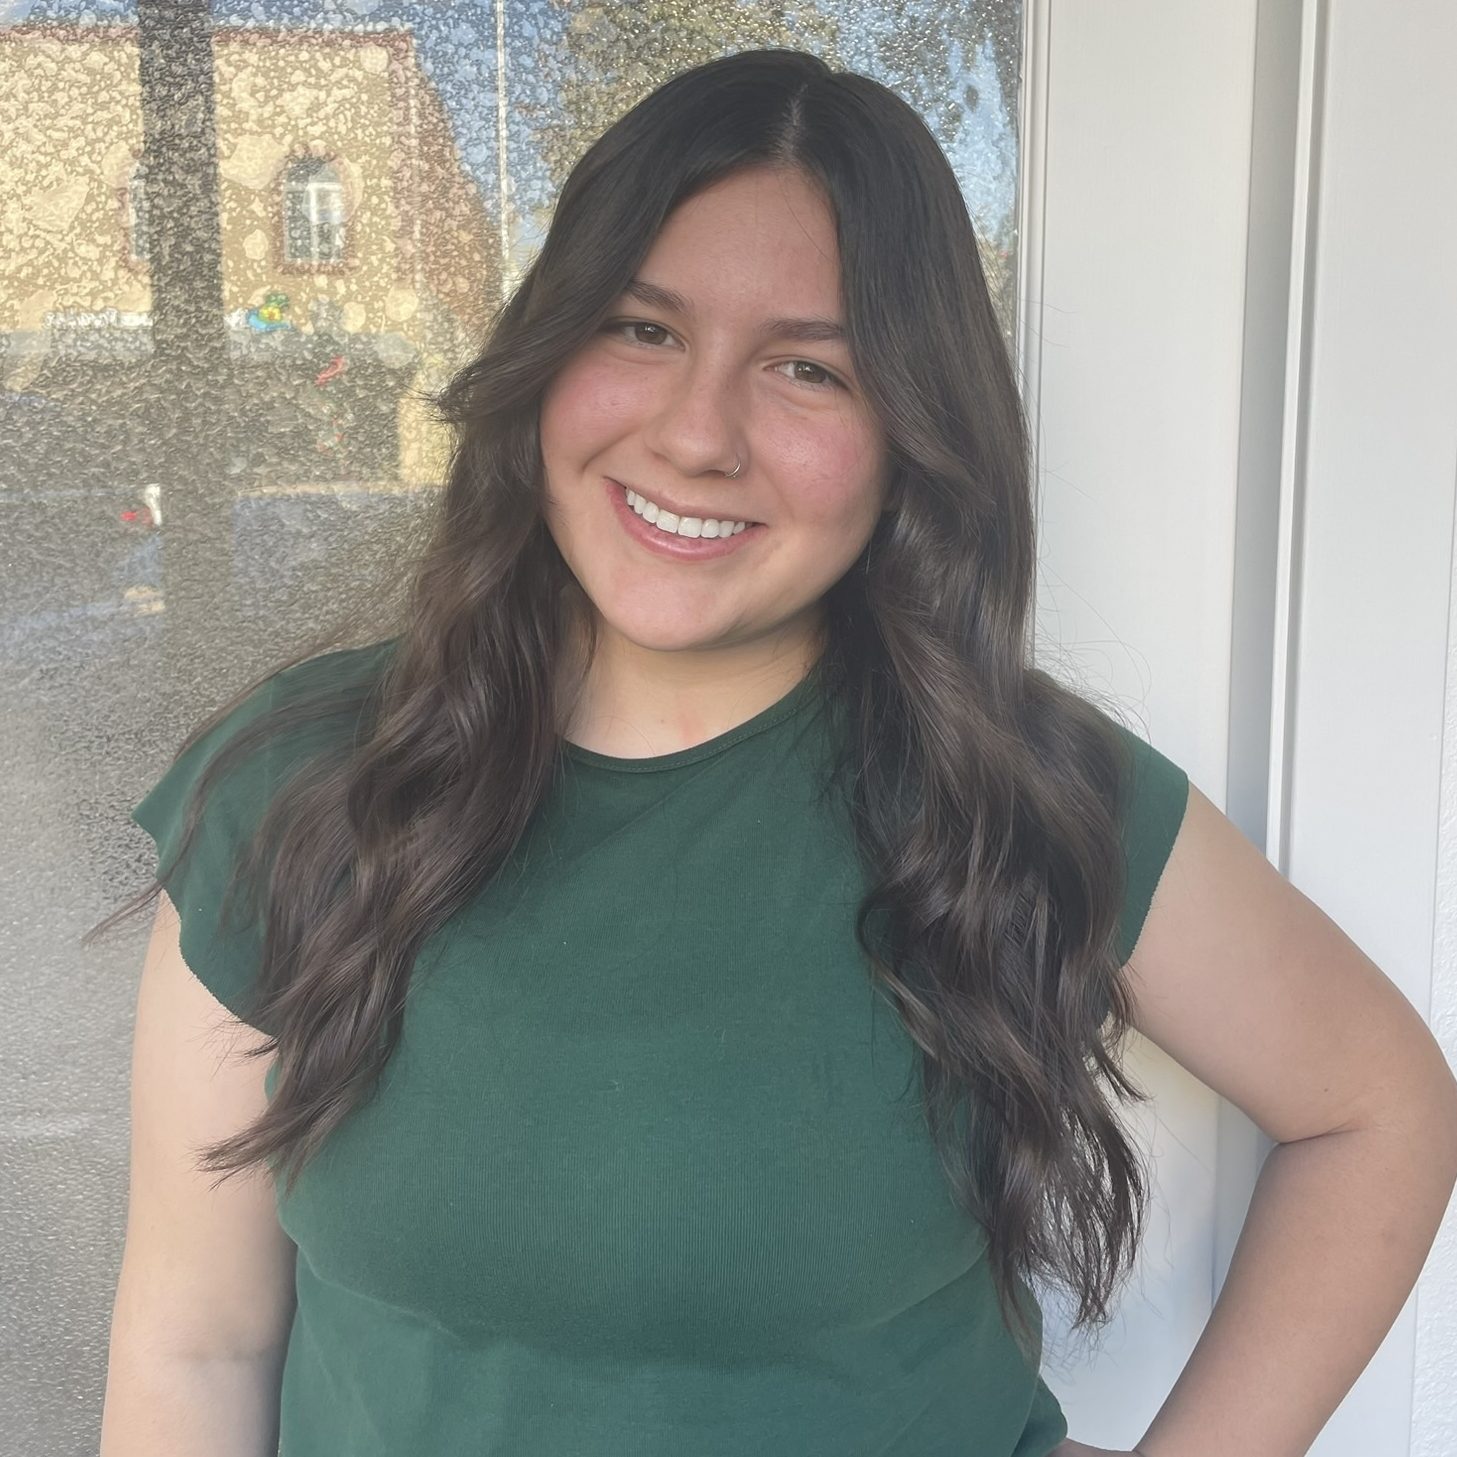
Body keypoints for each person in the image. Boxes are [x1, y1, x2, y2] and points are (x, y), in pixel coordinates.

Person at [94, 47, 1457, 1457]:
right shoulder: (296, 786)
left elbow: (1378, 1106)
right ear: (546, 358)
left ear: (906, 435)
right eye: (640, 328)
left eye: (806, 367)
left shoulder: (1021, 793)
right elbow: (197, 1343)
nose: (696, 434)